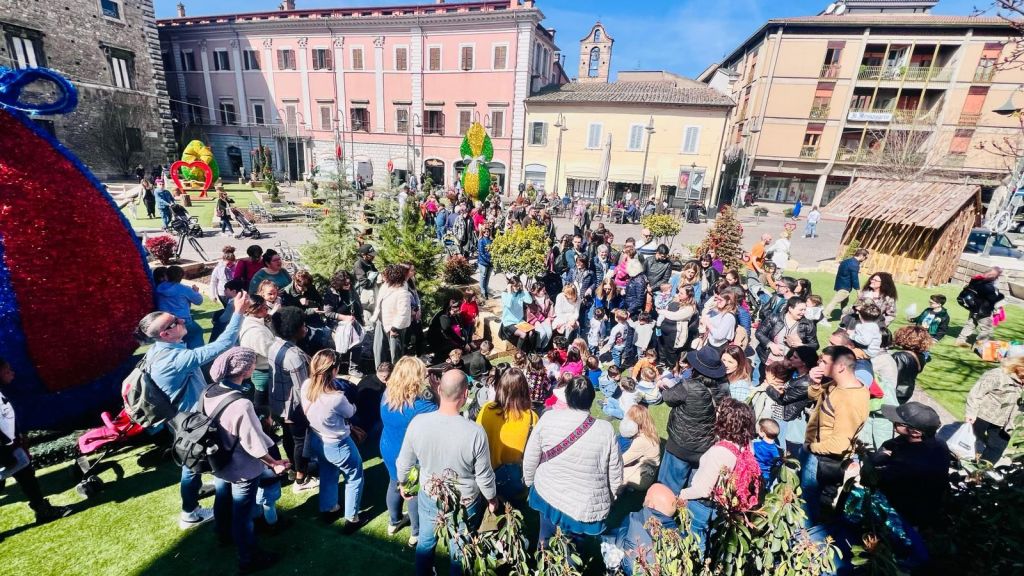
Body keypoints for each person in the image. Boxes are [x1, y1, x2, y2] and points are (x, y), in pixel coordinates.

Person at [135, 291, 247, 529]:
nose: (182, 320)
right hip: (191, 421)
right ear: (165, 334)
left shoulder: (158, 351)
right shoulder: (175, 359)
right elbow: (224, 344)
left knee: (191, 460)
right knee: (197, 462)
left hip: (178, 419)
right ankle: (192, 513)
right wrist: (238, 312)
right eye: (174, 322)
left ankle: (194, 499)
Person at [397, 370, 498, 576]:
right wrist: (491, 498)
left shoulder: (418, 423)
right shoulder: (475, 432)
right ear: (466, 394)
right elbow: (484, 475)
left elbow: (404, 463)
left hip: (430, 495)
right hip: (465, 501)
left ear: (439, 390)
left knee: (425, 541)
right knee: (461, 548)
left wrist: (403, 483)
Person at [203, 347, 288, 574]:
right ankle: (248, 558)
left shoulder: (209, 390)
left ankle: (222, 533)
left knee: (222, 499)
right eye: (252, 363)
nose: (254, 365)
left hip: (218, 460)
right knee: (243, 515)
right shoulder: (242, 404)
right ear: (245, 370)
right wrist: (274, 463)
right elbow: (254, 444)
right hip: (241, 468)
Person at [523, 376, 623, 545]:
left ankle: (545, 555)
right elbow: (615, 472)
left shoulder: (548, 418)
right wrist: (612, 496)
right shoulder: (606, 430)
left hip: (548, 490)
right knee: (574, 545)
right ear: (591, 399)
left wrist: (529, 481)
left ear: (567, 396)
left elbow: (531, 456)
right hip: (582, 503)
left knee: (546, 535)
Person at [676, 398, 759, 553]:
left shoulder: (719, 452)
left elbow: (703, 489)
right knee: (713, 541)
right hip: (725, 507)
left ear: (727, 421)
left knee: (695, 542)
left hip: (704, 506)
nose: (716, 414)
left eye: (719, 413)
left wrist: (682, 494)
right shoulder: (747, 444)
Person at [0, 359, 72, 526]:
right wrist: (6, 445)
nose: (12, 373)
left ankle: (42, 510)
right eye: (7, 371)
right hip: (4, 447)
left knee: (26, 474)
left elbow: (6, 419)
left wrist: (17, 436)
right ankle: (42, 510)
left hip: (10, 444)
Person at [804, 346, 870, 521]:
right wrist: (814, 382)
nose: (819, 365)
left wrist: (810, 447)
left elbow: (839, 445)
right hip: (817, 455)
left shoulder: (850, 399)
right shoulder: (837, 384)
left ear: (840, 367)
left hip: (824, 461)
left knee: (809, 509)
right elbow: (815, 396)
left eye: (824, 362)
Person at [301, 350, 364, 526]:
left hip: (317, 439)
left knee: (328, 472)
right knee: (355, 477)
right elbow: (351, 412)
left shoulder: (306, 385)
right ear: (334, 370)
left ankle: (329, 508)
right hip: (338, 444)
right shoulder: (336, 398)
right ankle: (352, 518)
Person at [380, 357, 437, 546]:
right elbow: (440, 417)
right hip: (410, 456)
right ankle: (416, 532)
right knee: (413, 492)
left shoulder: (387, 394)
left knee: (394, 483)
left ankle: (394, 521)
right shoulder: (422, 406)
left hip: (388, 448)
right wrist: (435, 390)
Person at [658, 347, 730, 494]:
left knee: (668, 488)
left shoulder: (688, 386)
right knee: (694, 490)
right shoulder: (724, 389)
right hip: (705, 448)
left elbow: (668, 398)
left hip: (680, 445)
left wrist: (664, 386)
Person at [868, 402, 949, 530]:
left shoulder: (910, 462)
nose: (892, 421)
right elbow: (893, 444)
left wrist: (876, 460)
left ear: (916, 432)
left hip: (904, 516)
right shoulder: (937, 442)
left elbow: (876, 479)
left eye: (898, 422)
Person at [267, 307, 315, 493]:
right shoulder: (294, 356)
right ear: (293, 329)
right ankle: (301, 479)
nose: (305, 328)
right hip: (293, 407)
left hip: (277, 403)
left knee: (288, 437)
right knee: (300, 442)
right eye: (302, 325)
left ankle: (294, 469)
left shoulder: (274, 344)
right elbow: (304, 387)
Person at [476, 368, 539, 501]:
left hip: (488, 476)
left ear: (501, 387)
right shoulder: (532, 418)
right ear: (524, 390)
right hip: (515, 479)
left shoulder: (486, 409)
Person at [600, 483, 680, 575]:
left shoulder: (633, 519)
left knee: (611, 538)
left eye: (647, 497)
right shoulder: (681, 535)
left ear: (651, 505)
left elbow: (619, 543)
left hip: (632, 570)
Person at [965, 352, 1024, 464]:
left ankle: (981, 470)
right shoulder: (998, 374)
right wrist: (971, 412)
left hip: (1005, 423)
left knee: (997, 448)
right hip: (983, 416)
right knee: (969, 441)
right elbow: (976, 393)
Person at [755, 296, 818, 379]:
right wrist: (770, 345)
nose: (803, 312)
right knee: (761, 379)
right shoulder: (774, 318)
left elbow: (815, 345)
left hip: (790, 364)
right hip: (767, 359)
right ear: (790, 308)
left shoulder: (808, 325)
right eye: (800, 310)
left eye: (804, 310)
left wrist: (802, 345)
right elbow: (759, 333)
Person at [323, 270, 365, 378]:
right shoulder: (331, 292)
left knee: (357, 343)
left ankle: (353, 368)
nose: (348, 285)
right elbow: (328, 313)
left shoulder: (351, 289)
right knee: (340, 346)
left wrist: (360, 319)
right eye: (345, 283)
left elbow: (357, 304)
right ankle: (336, 368)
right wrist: (344, 318)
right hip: (338, 324)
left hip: (353, 321)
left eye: (349, 283)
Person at [371, 264, 413, 367]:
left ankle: (396, 373)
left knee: (395, 354)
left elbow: (403, 313)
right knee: (378, 349)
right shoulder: (385, 286)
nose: (383, 277)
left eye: (386, 275)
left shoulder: (402, 291)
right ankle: (379, 371)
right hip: (381, 321)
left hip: (394, 327)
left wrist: (394, 328)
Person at [156, 265, 206, 350]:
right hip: (183, 321)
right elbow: (199, 301)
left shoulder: (159, 287)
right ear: (181, 276)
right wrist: (196, 292)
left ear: (166, 276)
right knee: (196, 333)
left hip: (165, 323)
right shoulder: (184, 289)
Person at [955, 266, 1005, 348]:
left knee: (971, 324)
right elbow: (993, 299)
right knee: (986, 329)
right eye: (997, 276)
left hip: (974, 308)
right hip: (983, 311)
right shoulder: (988, 286)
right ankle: (979, 346)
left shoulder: (976, 281)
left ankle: (960, 340)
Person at [619, 404, 661, 492]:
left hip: (644, 476)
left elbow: (621, 461)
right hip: (648, 467)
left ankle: (619, 491)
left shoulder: (641, 440)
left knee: (614, 472)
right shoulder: (649, 430)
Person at [823, 248, 869, 322]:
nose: (865, 259)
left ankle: (844, 316)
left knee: (844, 302)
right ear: (861, 255)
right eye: (865, 257)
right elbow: (854, 279)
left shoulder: (846, 261)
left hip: (840, 284)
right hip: (845, 287)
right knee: (835, 301)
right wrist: (858, 291)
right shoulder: (854, 265)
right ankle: (823, 317)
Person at [891, 326, 932, 405]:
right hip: (907, 391)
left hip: (895, 391)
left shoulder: (899, 356)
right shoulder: (921, 357)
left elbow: (891, 375)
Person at [427, 298, 469, 364]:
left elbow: (461, 327)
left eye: (458, 310)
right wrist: (463, 343)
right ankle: (436, 359)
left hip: (447, 338)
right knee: (452, 348)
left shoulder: (453, 315)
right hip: (438, 340)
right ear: (449, 308)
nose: (457, 312)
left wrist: (464, 340)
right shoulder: (443, 317)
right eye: (455, 310)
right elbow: (449, 333)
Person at [499, 275, 535, 351]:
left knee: (532, 331)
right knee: (523, 334)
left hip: (519, 321)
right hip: (509, 322)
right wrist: (509, 292)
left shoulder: (520, 293)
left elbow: (529, 301)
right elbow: (508, 305)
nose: (517, 288)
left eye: (518, 286)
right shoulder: (505, 294)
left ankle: (530, 350)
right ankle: (518, 352)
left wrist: (525, 290)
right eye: (515, 286)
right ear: (510, 285)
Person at [353, 244, 380, 323]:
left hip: (373, 298)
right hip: (365, 301)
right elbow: (365, 284)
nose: (373, 256)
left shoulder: (370, 264)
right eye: (371, 255)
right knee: (368, 323)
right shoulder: (358, 264)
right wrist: (375, 279)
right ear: (363, 255)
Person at [477, 226, 494, 298]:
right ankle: (482, 291)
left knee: (487, 277)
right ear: (482, 232)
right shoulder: (481, 240)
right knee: (483, 277)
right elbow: (481, 253)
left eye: (487, 231)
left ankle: (486, 290)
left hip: (490, 262)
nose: (486, 233)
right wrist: (488, 260)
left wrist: (493, 260)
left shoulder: (491, 240)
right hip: (483, 262)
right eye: (484, 232)